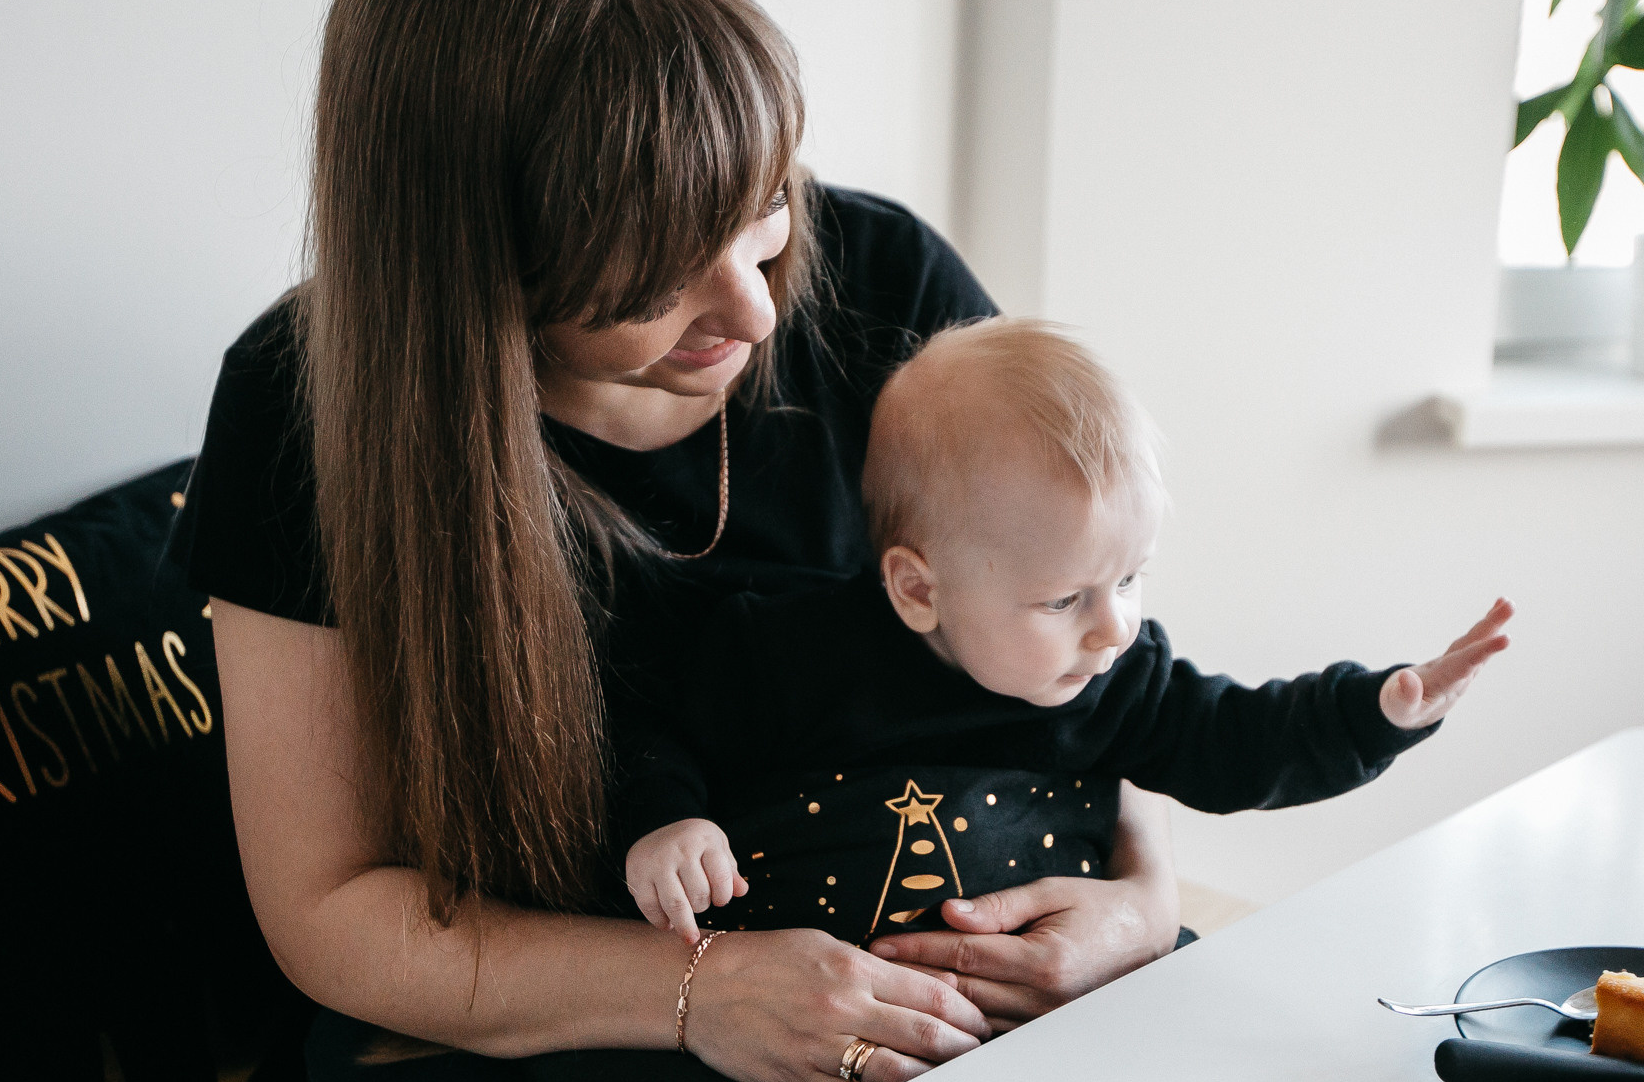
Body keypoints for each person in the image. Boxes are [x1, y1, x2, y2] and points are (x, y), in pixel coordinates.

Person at [168, 0, 1192, 1082]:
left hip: (925, 928)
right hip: (536, 1024)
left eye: (760, 207)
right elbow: (329, 909)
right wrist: (698, 995)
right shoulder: (304, 410)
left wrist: (1138, 901)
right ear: (479, 271)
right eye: (659, 272)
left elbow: (1083, 641)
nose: (760, 307)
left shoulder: (883, 281)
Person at [619, 318, 1513, 947]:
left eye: (1130, 579)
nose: (1114, 629)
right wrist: (670, 823)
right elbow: (650, 728)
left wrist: (1376, 711)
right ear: (918, 589)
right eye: (1066, 600)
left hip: (1046, 1014)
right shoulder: (786, 652)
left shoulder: (1113, 678)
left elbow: (1240, 739)